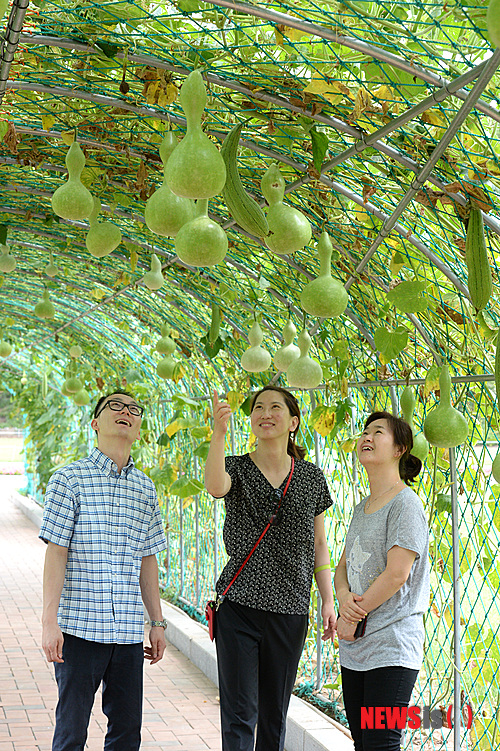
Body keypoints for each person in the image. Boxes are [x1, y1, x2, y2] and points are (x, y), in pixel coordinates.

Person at [204, 385, 336, 751]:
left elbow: (320, 545)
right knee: (239, 712)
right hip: (239, 606)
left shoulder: (311, 478)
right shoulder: (236, 467)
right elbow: (215, 487)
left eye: (275, 407)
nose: (265, 413)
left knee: (274, 714)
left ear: (292, 422)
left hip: (290, 609)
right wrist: (218, 434)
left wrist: (327, 599)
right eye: (258, 407)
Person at [40, 390, 168, 751]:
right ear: (95, 423)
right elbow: (56, 552)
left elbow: (147, 558)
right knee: (71, 731)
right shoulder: (69, 480)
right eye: (115, 406)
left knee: (127, 734)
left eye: (133, 409)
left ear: (139, 428)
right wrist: (50, 622)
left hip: (127, 632)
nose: (125, 412)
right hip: (79, 629)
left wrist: (156, 623)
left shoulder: (145, 487)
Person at [334, 411, 430, 751]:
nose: (367, 437)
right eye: (364, 431)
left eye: (378, 432)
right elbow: (343, 566)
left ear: (399, 449)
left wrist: (349, 615)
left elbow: (396, 574)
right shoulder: (362, 507)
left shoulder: (406, 504)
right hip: (355, 646)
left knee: (381, 741)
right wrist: (342, 595)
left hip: (391, 645)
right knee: (363, 740)